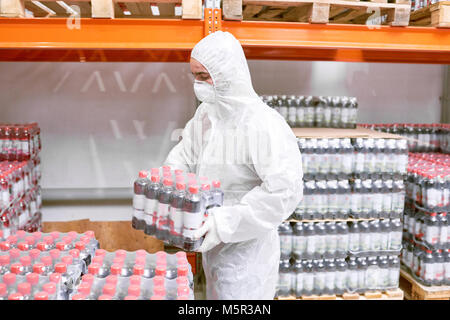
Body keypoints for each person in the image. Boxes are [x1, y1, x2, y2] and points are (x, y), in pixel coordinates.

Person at [164, 31, 303, 300]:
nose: (198, 85)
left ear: (227, 74)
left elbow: (283, 192)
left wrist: (222, 222)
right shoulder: (208, 113)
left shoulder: (263, 125)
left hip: (246, 255)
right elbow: (185, 154)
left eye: (204, 77)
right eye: (194, 76)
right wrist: (169, 183)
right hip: (212, 242)